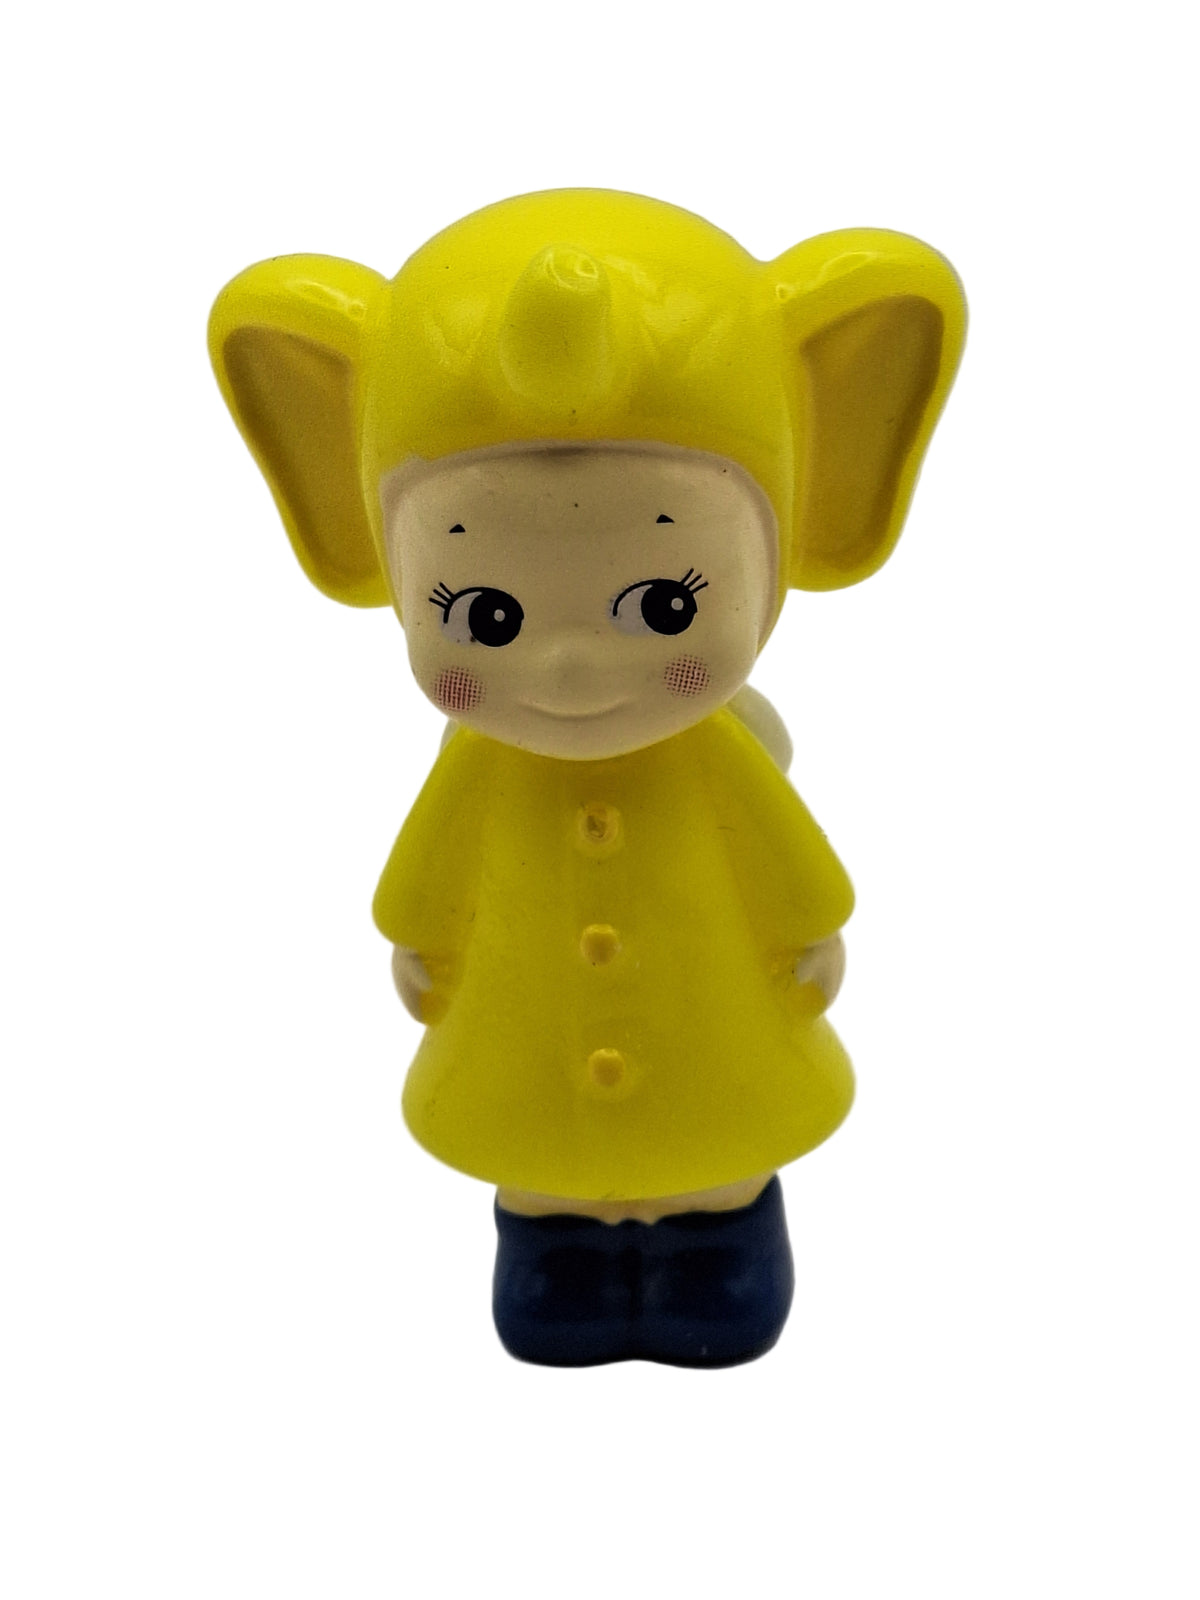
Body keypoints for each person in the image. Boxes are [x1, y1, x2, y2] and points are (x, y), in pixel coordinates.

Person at [209, 188, 966, 1366]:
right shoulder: (481, 768)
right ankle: (554, 1243)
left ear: (816, 508)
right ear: (357, 535)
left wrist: (810, 934)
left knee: (718, 1139)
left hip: (712, 1033)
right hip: (528, 1043)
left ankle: (718, 1239)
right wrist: (422, 940)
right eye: (486, 615)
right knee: (540, 1159)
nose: (566, 670)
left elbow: (788, 864)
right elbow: (430, 872)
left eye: (665, 605)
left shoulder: (719, 758)